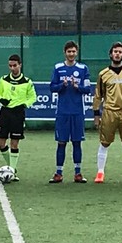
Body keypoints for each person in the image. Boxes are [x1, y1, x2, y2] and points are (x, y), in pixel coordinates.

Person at [91, 41, 122, 184]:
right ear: (110, 54)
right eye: (115, 51)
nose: (117, 54)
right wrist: (96, 114)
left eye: (120, 52)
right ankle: (100, 172)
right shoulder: (103, 74)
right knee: (104, 143)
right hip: (109, 112)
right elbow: (98, 95)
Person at [49, 40, 91, 183]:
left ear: (76, 52)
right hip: (62, 112)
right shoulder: (58, 68)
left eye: (73, 51)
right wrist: (63, 84)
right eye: (69, 52)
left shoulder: (83, 68)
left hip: (78, 112)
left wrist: (76, 86)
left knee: (77, 142)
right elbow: (53, 87)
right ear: (65, 53)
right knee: (61, 142)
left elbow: (87, 89)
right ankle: (58, 173)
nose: (71, 54)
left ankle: (78, 173)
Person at [0, 54, 37, 182]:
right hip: (5, 112)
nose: (12, 68)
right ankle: (12, 169)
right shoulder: (3, 79)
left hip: (18, 114)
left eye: (15, 65)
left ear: (20, 65)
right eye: (10, 66)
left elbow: (32, 97)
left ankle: (12, 170)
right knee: (0, 142)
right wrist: (1, 99)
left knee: (14, 143)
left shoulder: (27, 82)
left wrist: (25, 104)